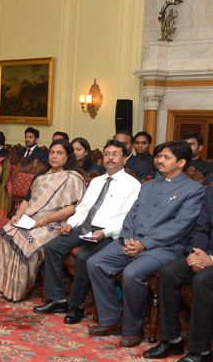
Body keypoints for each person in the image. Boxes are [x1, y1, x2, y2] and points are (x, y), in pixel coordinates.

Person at [87, 140, 205, 348]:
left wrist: (144, 244)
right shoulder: (148, 184)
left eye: (166, 157)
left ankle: (133, 328)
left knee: (133, 274)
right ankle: (113, 319)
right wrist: (129, 237)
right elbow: (131, 214)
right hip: (132, 240)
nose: (159, 160)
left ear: (181, 162)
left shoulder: (194, 190)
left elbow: (180, 226)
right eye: (159, 156)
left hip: (164, 247)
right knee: (95, 262)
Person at [34, 139, 141, 324]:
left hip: (107, 233)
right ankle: (57, 299)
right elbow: (83, 209)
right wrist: (71, 223)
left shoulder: (133, 185)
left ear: (124, 159)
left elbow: (126, 219)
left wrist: (104, 233)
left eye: (115, 154)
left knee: (83, 257)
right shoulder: (97, 181)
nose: (110, 158)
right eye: (107, 154)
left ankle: (76, 306)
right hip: (84, 227)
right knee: (51, 247)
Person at [0, 139, 86, 302]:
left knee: (24, 240)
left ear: (68, 156)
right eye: (52, 152)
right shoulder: (41, 175)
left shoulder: (72, 177)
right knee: (7, 233)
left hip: (55, 223)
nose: (54, 156)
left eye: (59, 153)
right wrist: (19, 213)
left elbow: (72, 208)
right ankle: (6, 285)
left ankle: (19, 289)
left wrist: (45, 219)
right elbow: (27, 200)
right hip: (30, 218)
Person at [143, 184, 213, 362]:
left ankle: (201, 351)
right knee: (169, 272)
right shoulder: (211, 191)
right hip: (203, 252)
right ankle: (172, 340)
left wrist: (211, 260)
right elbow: (201, 228)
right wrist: (194, 254)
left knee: (202, 280)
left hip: (211, 259)